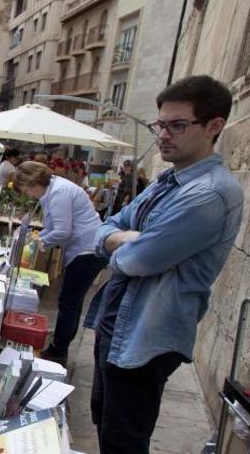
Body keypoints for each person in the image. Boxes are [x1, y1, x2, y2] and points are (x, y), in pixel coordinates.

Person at [85, 75, 243, 453]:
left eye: (177, 125)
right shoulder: (166, 181)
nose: (164, 135)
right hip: (118, 323)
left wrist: (123, 243)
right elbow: (103, 230)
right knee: (104, 422)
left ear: (214, 127)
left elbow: (138, 260)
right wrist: (123, 237)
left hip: (145, 336)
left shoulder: (210, 194)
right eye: (161, 124)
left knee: (123, 438)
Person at [14, 161, 106, 365]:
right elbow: (56, 226)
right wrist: (38, 236)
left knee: (69, 301)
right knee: (70, 300)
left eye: (28, 189)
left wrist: (40, 242)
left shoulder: (58, 193)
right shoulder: (56, 188)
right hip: (85, 248)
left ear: (33, 182)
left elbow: (63, 230)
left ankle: (59, 350)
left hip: (87, 250)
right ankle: (60, 344)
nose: (29, 194)